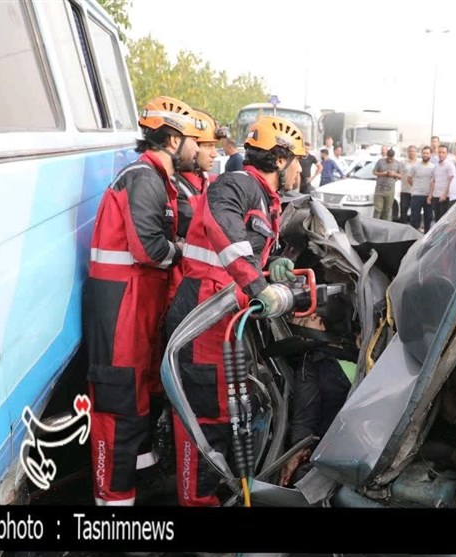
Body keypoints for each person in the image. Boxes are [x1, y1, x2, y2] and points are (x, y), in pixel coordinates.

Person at [164, 115, 305, 506]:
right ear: (279, 160)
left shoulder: (265, 198)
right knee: (203, 419)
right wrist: (260, 286)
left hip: (224, 316)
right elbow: (224, 232)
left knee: (225, 414)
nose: (299, 169)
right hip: (202, 317)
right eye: (297, 160)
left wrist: (272, 266)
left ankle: (216, 494)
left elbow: (247, 247)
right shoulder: (237, 185)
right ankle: (196, 503)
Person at [83, 95, 203, 506]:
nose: (198, 146)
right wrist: (183, 250)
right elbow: (149, 249)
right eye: (192, 139)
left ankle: (141, 482)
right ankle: (113, 506)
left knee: (143, 394)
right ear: (172, 140)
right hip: (122, 306)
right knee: (120, 400)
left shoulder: (158, 180)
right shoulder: (144, 179)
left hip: (139, 305)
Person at [278, 297, 358, 487]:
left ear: (321, 322)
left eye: (305, 322)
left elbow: (305, 417)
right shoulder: (366, 353)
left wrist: (297, 451)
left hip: (336, 457)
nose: (302, 332)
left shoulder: (313, 364)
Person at [168, 109, 223, 305]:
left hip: (196, 287)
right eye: (207, 145)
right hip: (177, 289)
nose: (213, 153)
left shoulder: (205, 183)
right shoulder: (174, 186)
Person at [408, 146, 435, 232]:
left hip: (428, 196)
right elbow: (409, 178)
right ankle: (413, 238)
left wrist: (430, 194)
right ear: (421, 154)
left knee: (428, 218)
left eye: (427, 153)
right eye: (423, 153)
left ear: (430, 154)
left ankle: (426, 238)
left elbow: (434, 181)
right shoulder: (415, 166)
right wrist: (416, 186)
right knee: (414, 218)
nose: (425, 155)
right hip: (416, 195)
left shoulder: (433, 167)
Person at [372, 147, 401, 221]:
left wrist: (394, 174)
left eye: (391, 158)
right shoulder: (380, 162)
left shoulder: (397, 163)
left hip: (390, 190)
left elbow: (401, 176)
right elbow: (374, 172)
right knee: (378, 209)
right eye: (388, 157)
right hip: (379, 189)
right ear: (386, 155)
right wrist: (383, 173)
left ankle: (387, 226)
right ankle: (375, 224)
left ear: (393, 156)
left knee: (387, 210)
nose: (390, 159)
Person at [428, 144, 454, 223]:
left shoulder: (450, 165)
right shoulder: (435, 166)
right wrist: (430, 195)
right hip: (436, 195)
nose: (441, 154)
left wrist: (445, 194)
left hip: (444, 197)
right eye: (439, 152)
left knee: (443, 220)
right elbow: (433, 181)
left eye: (443, 152)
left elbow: (451, 180)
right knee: (436, 218)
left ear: (447, 154)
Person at [399, 145, 418, 223]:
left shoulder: (419, 163)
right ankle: (403, 227)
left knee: (415, 211)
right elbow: (399, 173)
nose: (412, 153)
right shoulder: (403, 162)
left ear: (416, 152)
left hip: (415, 191)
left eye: (413, 151)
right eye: (410, 151)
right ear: (407, 152)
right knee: (404, 210)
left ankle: (413, 229)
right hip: (405, 190)